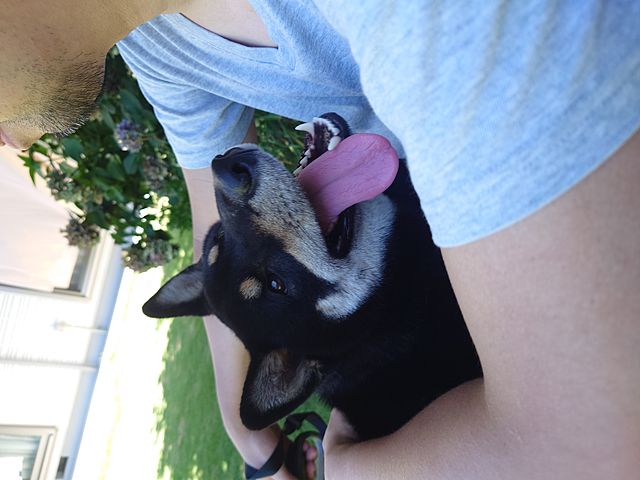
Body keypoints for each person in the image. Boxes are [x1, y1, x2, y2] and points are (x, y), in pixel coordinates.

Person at [1, 1, 638, 479]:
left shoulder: (421, 18)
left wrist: (354, 468)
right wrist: (247, 436)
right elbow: (211, 222)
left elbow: (593, 443)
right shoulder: (150, 36)